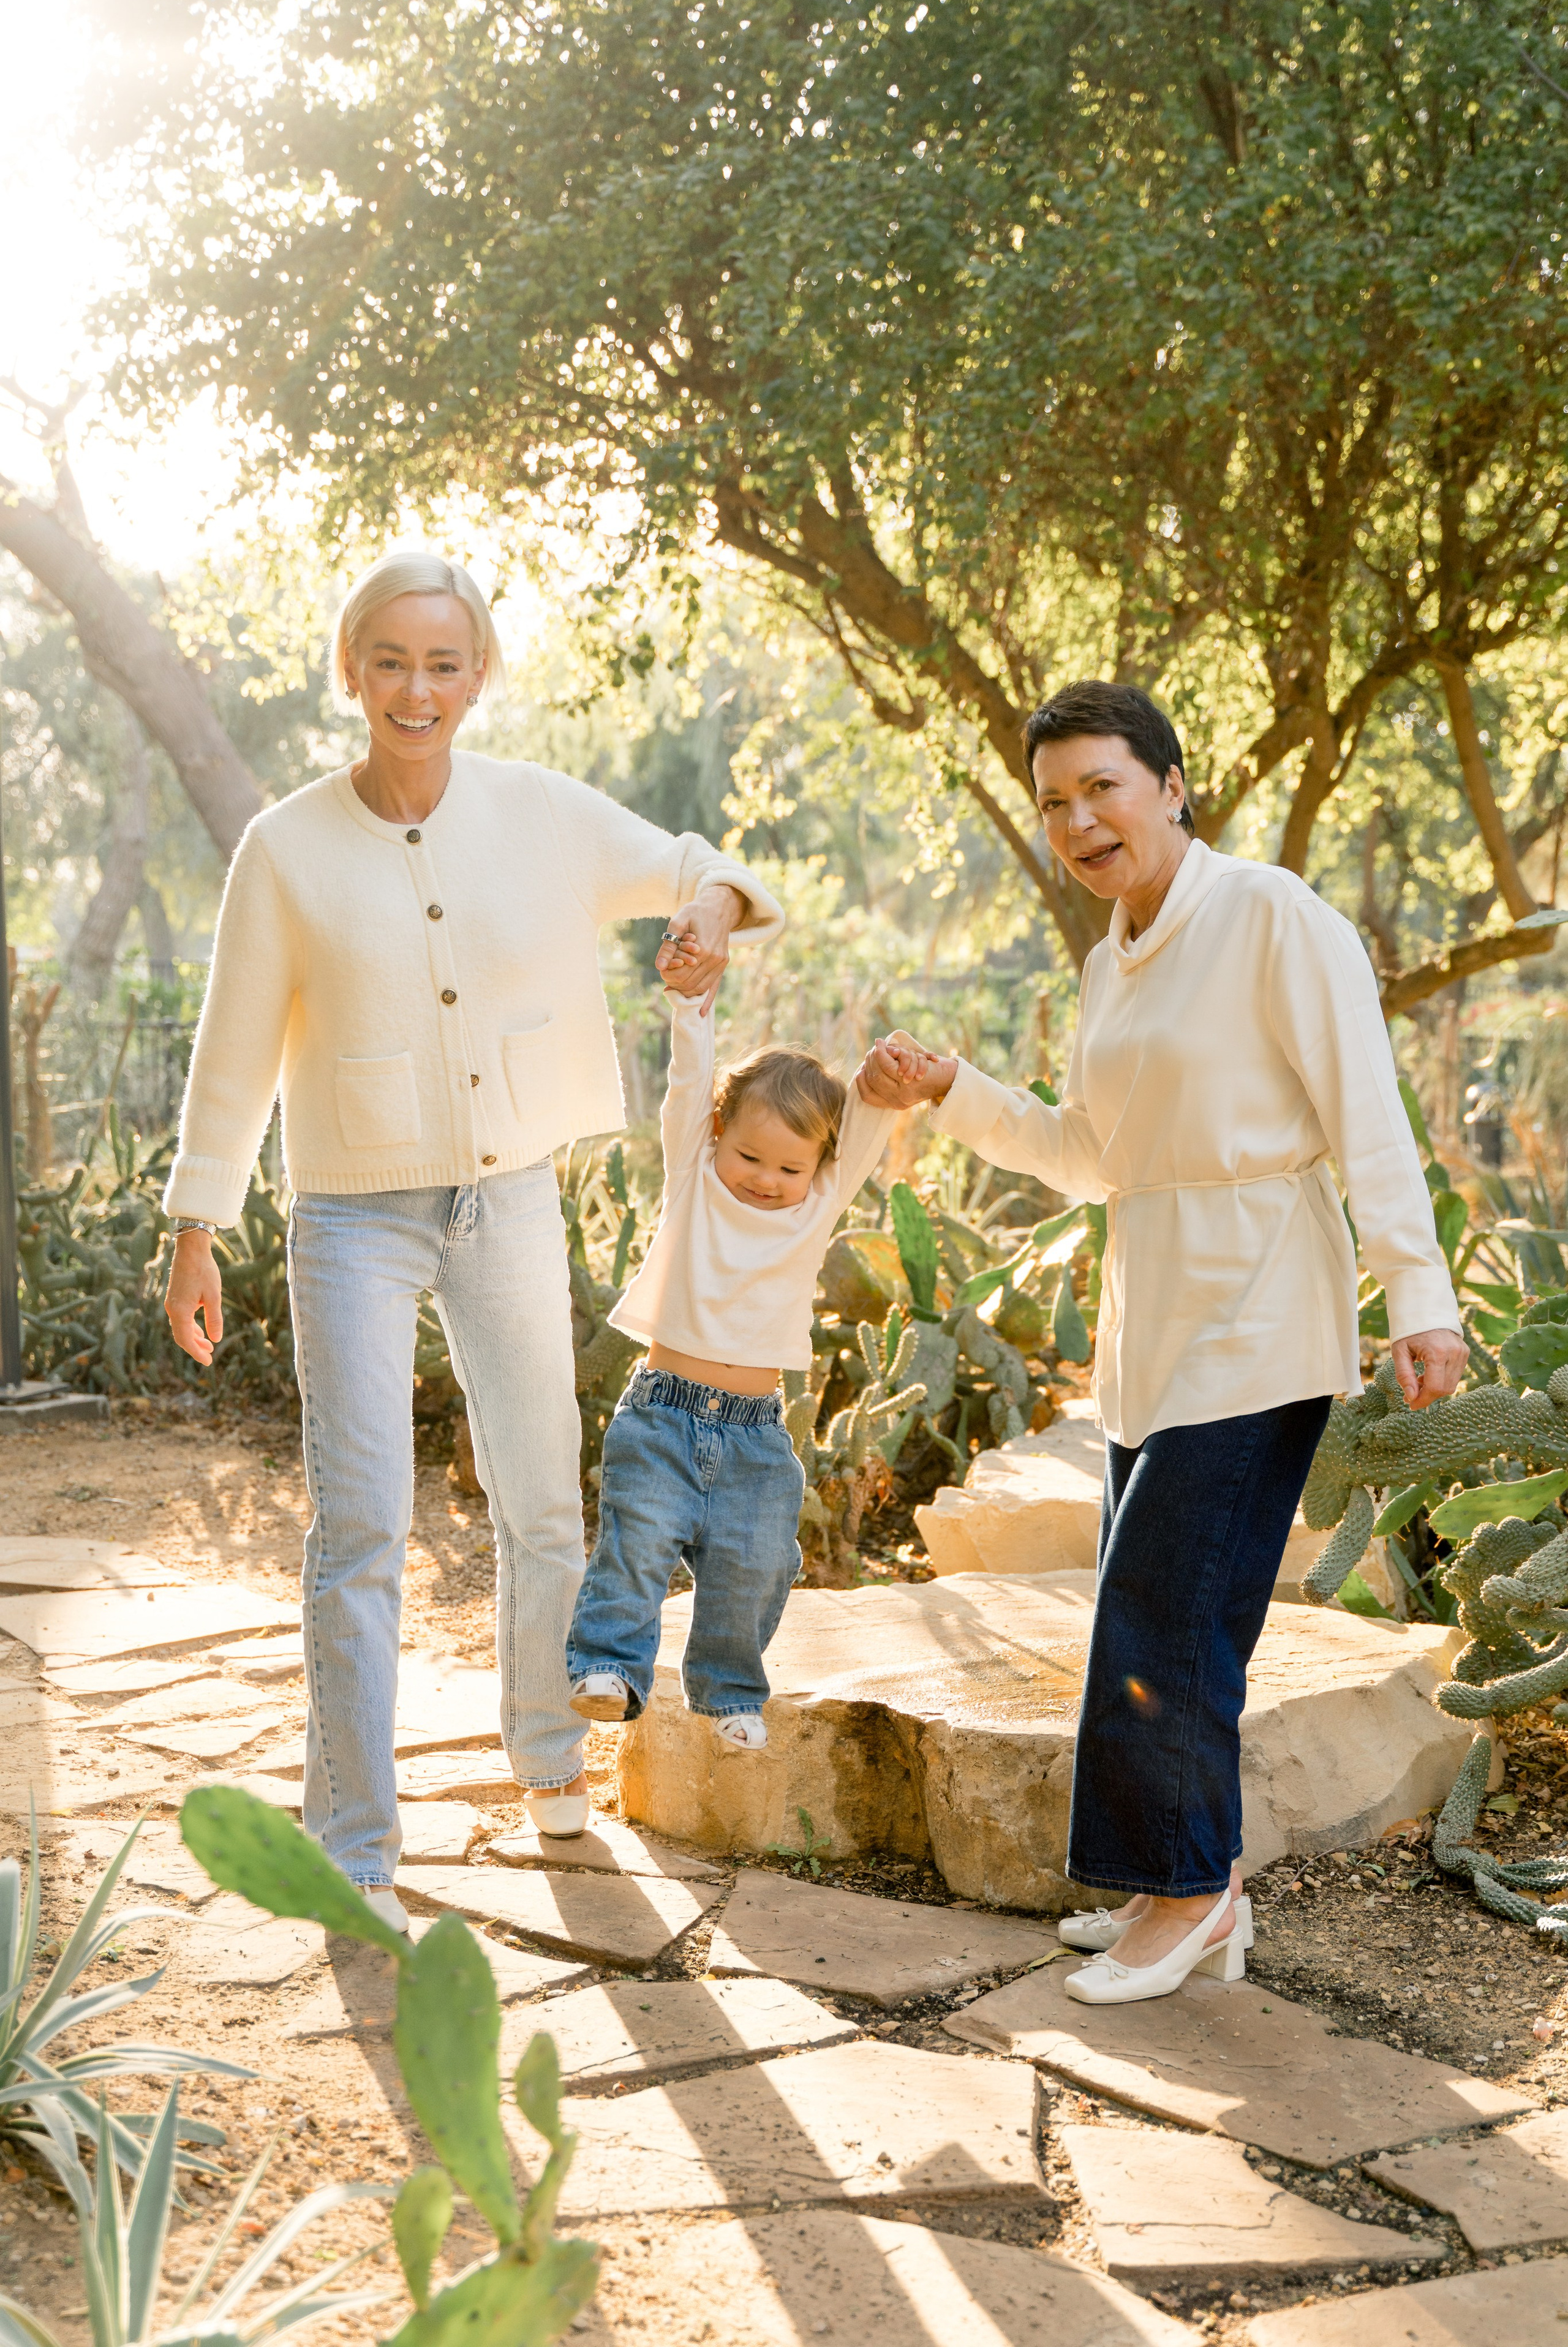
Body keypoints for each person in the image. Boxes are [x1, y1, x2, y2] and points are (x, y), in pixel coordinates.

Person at [162, 548, 782, 1931]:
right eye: (391, 660)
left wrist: (704, 912)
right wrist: (196, 1225)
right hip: (352, 1216)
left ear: (479, 674)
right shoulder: (286, 846)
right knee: (361, 1525)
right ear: (351, 670)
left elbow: (701, 868)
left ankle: (549, 1751)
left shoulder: (539, 812)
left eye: (444, 663)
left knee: (543, 1499)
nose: (417, 688)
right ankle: (354, 1838)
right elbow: (233, 1047)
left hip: (509, 1195)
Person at [856, 678, 1464, 2007]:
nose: (1078, 822)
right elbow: (1092, 1157)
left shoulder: (1268, 914)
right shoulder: (1107, 963)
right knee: (1161, 1610)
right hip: (1152, 1324)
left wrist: (1419, 1296)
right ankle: (1181, 1883)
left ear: (1171, 786)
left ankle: (1191, 1896)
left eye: (1102, 788)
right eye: (1053, 803)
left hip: (1259, 1307)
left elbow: (1366, 1109)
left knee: (1167, 1609)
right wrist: (953, 1089)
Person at [564, 971, 898, 1744]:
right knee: (635, 1544)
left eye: (790, 1168)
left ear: (818, 1166)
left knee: (757, 1564)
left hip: (755, 1434)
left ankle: (727, 1693)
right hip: (663, 1413)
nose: (766, 1180)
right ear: (717, 1130)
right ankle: (608, 1666)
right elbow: (686, 1088)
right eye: (749, 1156)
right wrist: (691, 1008)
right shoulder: (694, 1176)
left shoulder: (816, 1207)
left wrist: (885, 1085)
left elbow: (865, 1130)